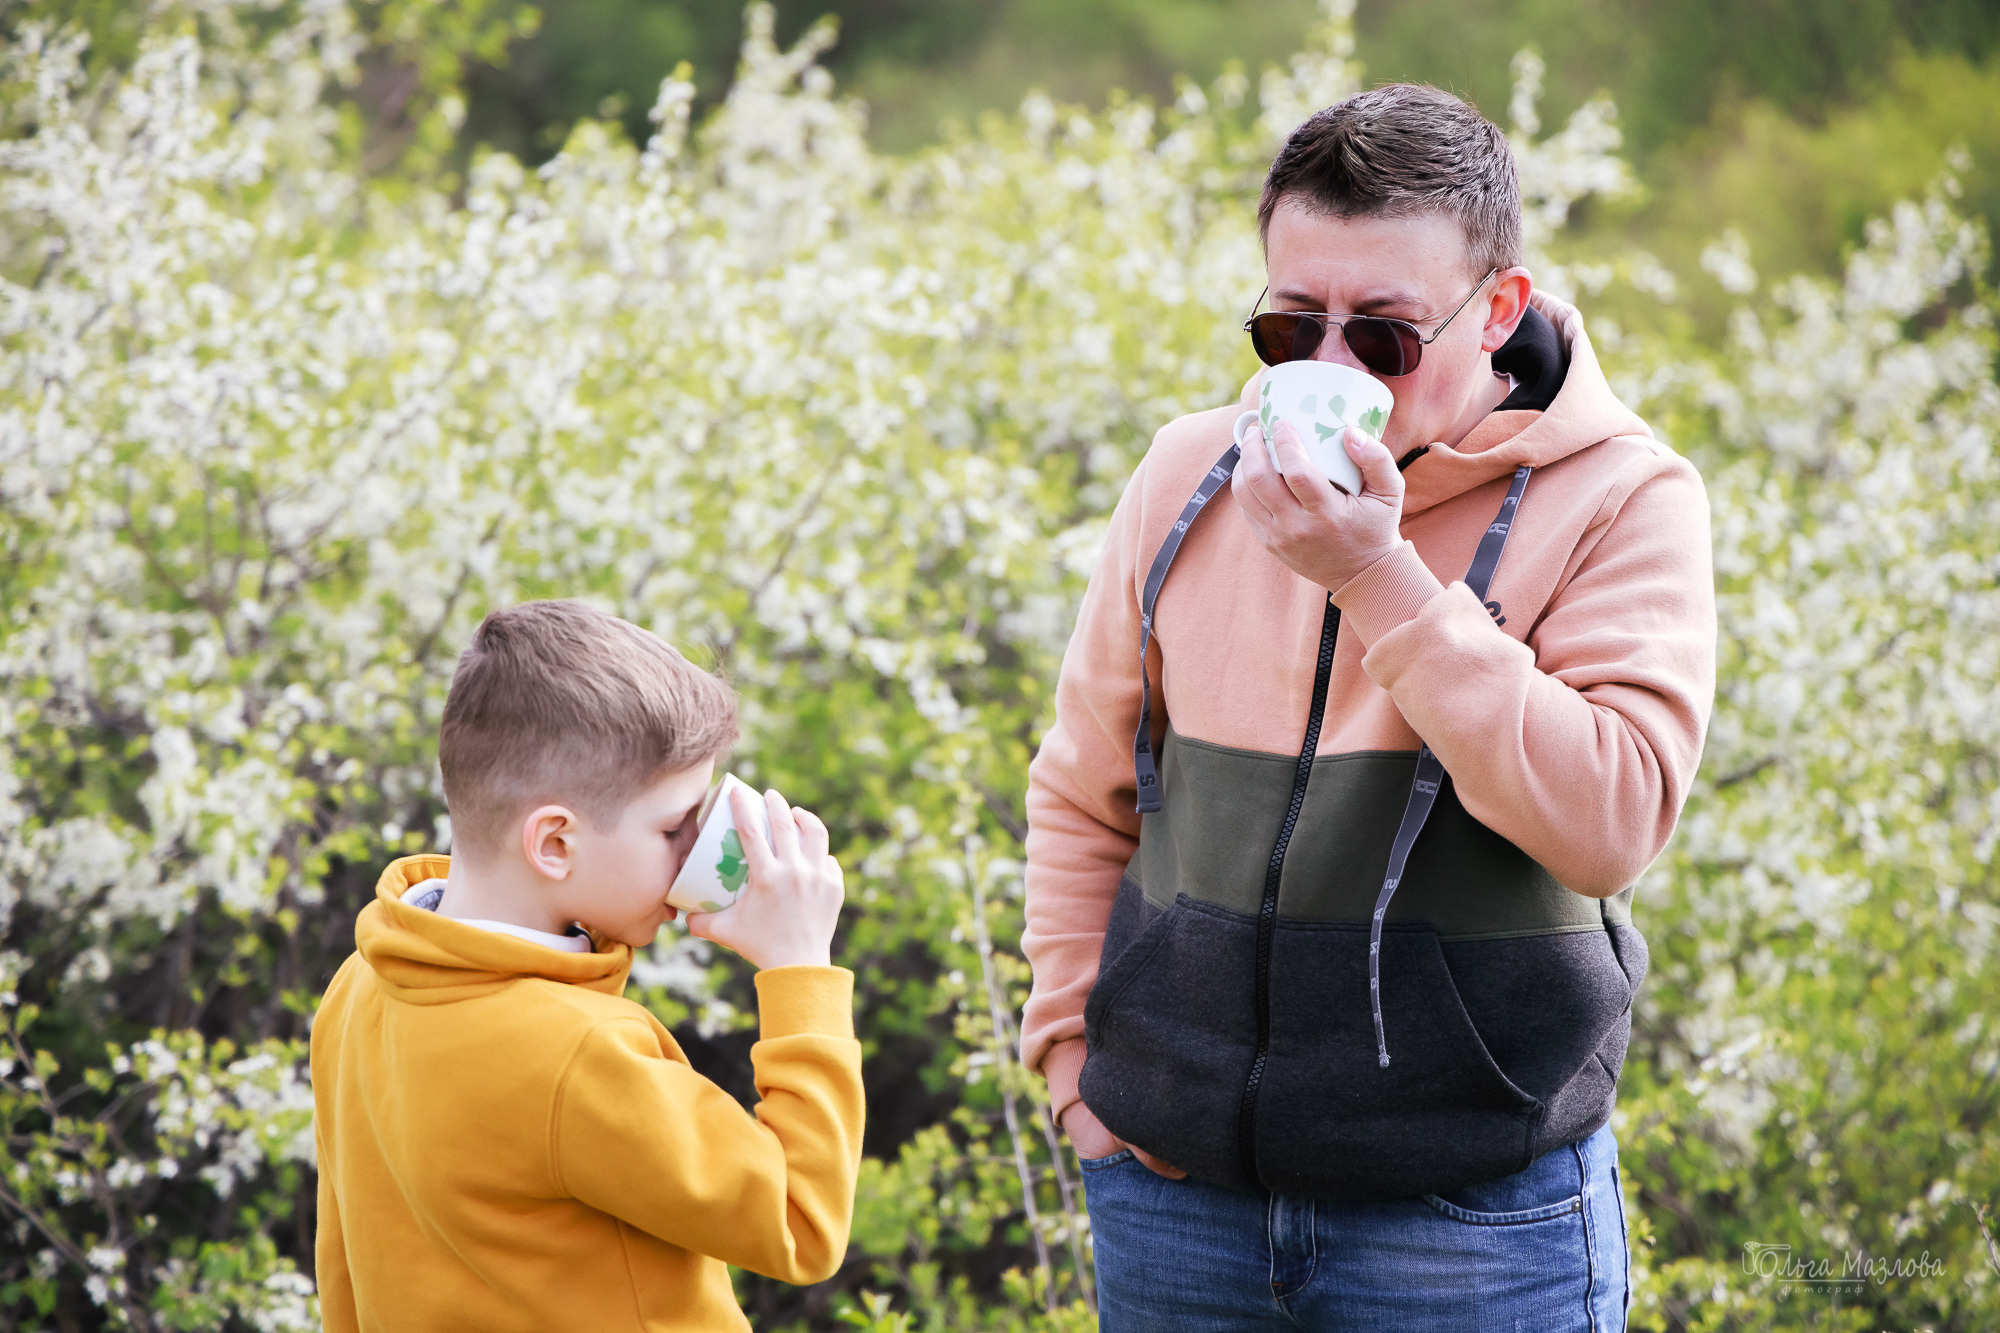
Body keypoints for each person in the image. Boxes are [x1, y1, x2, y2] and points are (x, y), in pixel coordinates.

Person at [1020, 83, 1716, 1331]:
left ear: (1495, 309)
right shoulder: (1188, 473)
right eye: (1291, 327)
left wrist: (1378, 577)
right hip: (1175, 1201)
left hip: (1469, 1217)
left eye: (1383, 335)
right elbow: (1083, 786)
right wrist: (1075, 1069)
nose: (1330, 367)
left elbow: (1610, 821)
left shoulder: (1624, 497)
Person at [311, 599, 861, 1333]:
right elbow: (800, 1220)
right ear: (555, 844)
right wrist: (800, 968)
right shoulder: (580, 1053)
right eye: (674, 827)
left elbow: (345, 1264)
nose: (697, 852)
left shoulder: (358, 986)